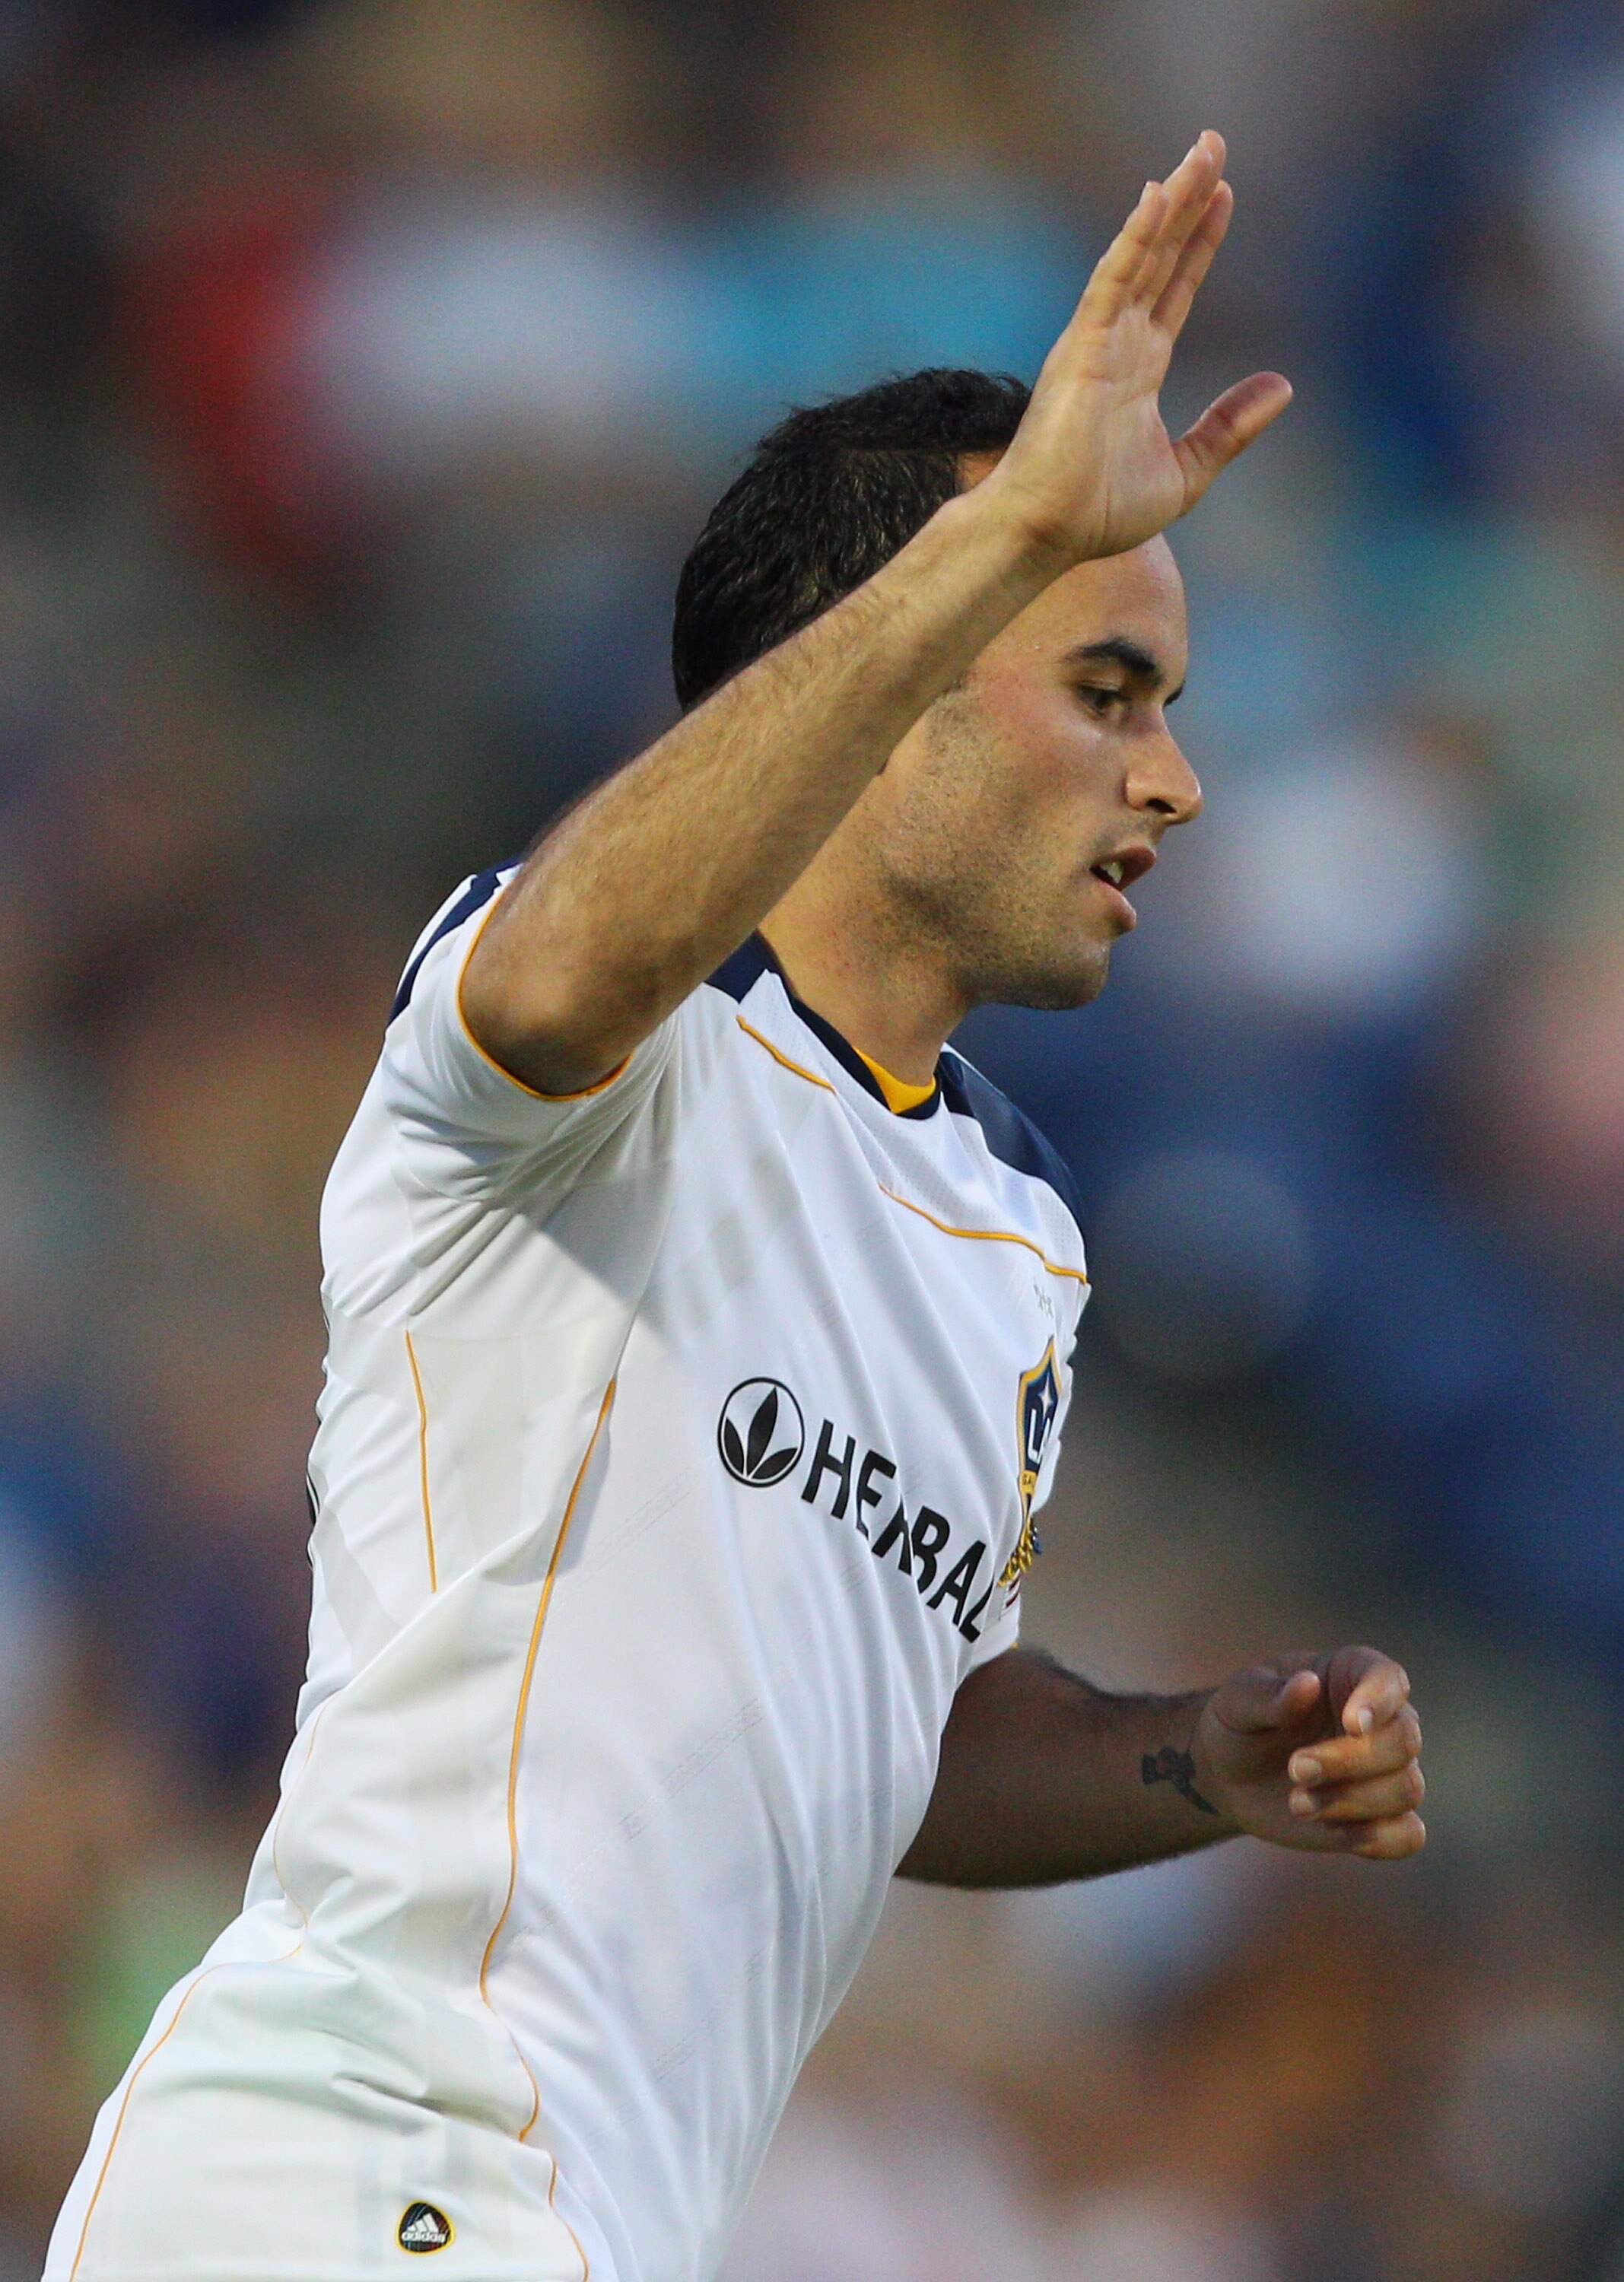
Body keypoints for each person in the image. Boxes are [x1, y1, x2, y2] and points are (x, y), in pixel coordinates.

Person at [49, 131, 1425, 2282]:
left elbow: (907, 1721)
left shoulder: (1015, 1238)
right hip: (358, 2160)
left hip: (580, 2222)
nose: (1170, 781)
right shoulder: (599, 1034)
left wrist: (1189, 1762)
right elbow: (559, 978)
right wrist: (995, 543)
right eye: (1103, 687)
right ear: (883, 672)